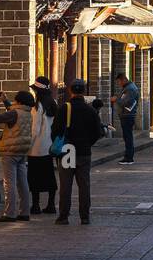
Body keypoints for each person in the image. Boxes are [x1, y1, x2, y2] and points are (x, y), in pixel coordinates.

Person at [50, 79, 103, 225]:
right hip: (84, 151)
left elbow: (55, 131)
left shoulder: (64, 108)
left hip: (67, 150)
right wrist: (88, 143)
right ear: (84, 92)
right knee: (84, 185)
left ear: (70, 91)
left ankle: (63, 216)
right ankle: (84, 216)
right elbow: (97, 132)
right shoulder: (90, 110)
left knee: (66, 185)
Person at [0, 91, 35, 223]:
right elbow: (12, 111)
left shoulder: (14, 113)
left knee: (9, 183)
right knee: (23, 183)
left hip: (10, 151)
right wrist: (5, 101)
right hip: (22, 151)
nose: (14, 103)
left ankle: (10, 213)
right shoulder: (27, 113)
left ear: (19, 102)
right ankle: (25, 211)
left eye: (15, 101)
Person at [28, 76, 58, 215]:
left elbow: (35, 129)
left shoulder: (37, 106)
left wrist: (28, 145)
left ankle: (35, 205)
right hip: (49, 145)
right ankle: (51, 204)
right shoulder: (53, 103)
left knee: (34, 177)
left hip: (37, 147)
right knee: (49, 175)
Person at [110, 72, 140, 166]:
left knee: (128, 137)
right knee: (127, 137)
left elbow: (126, 102)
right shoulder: (128, 88)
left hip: (128, 115)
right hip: (126, 115)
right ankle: (128, 156)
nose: (119, 84)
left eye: (119, 82)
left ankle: (129, 158)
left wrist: (116, 99)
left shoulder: (130, 89)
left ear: (123, 79)